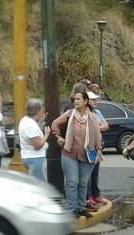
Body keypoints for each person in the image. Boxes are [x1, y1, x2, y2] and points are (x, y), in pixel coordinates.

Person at [51, 89, 103, 217]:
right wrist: (59, 137)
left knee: (83, 183)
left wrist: (98, 150)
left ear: (85, 101)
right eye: (74, 99)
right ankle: (71, 209)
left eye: (79, 99)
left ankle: (81, 207)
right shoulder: (69, 114)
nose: (76, 101)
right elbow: (55, 124)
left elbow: (97, 135)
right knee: (72, 182)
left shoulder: (93, 117)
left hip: (87, 154)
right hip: (69, 153)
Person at [85, 91, 110, 210]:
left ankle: (96, 194)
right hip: (89, 145)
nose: (95, 102)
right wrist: (98, 127)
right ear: (87, 101)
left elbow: (106, 125)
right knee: (88, 172)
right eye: (93, 100)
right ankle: (89, 195)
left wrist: (96, 127)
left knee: (95, 171)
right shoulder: (85, 113)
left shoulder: (97, 112)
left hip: (98, 145)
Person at [18, 99, 49, 181]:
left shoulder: (25, 120)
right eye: (42, 111)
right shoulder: (30, 124)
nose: (43, 113)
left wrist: (40, 123)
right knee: (40, 184)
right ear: (37, 111)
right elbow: (37, 145)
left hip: (29, 156)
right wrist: (46, 135)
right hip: (35, 158)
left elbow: (34, 135)